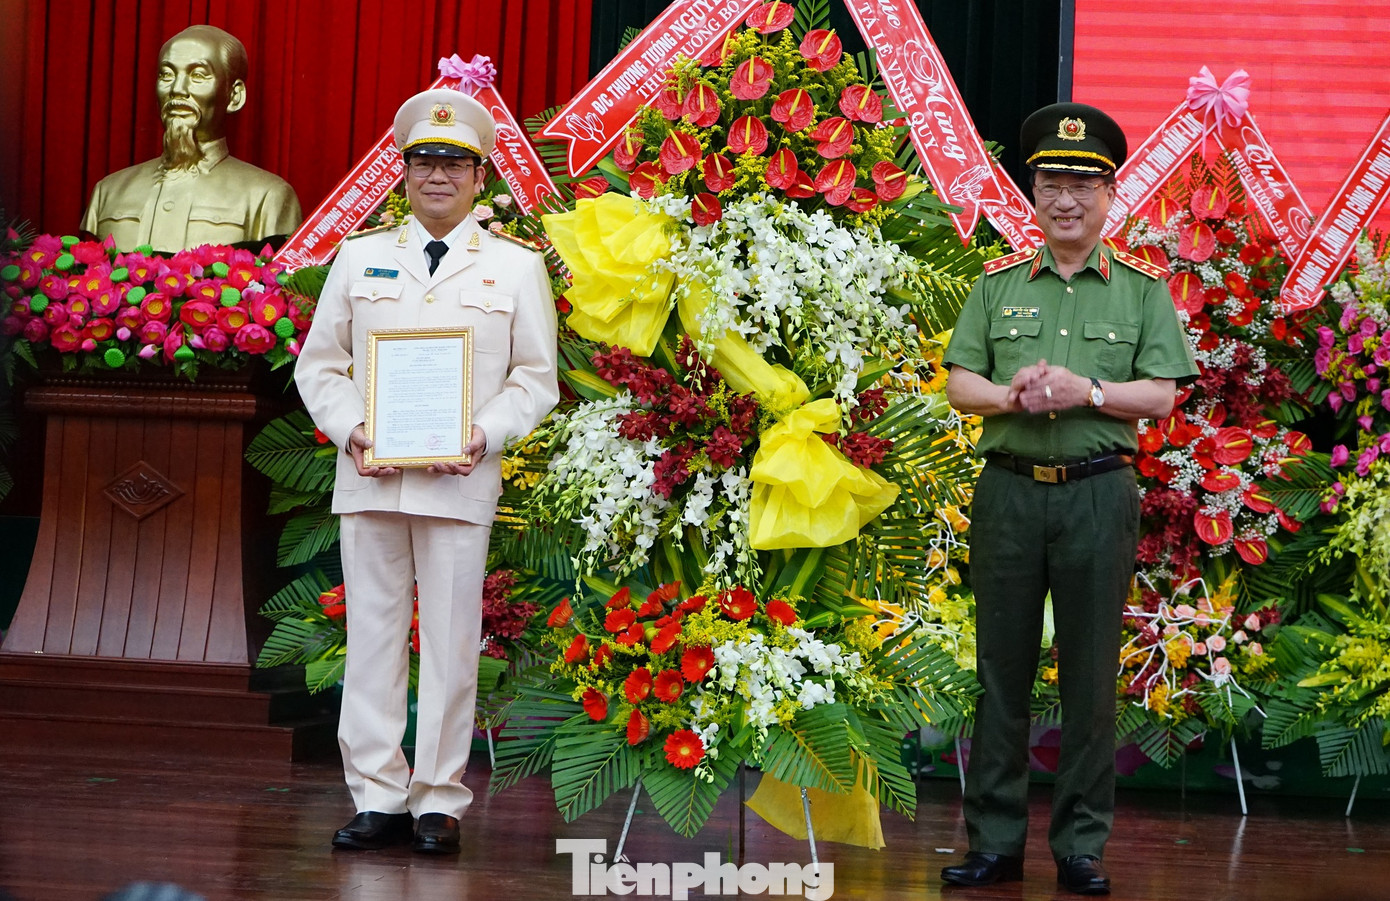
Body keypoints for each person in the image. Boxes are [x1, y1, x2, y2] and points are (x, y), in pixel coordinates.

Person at [938, 102, 1198, 895]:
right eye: (1051, 182)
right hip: (1010, 497)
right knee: (1000, 675)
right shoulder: (997, 287)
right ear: (1034, 190)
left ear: (1111, 194)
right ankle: (995, 841)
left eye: (1083, 184)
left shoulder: (1142, 293)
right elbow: (959, 382)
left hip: (1097, 496)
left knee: (1089, 678)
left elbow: (1159, 397)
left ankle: (1081, 846)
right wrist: (1012, 398)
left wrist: (1083, 389)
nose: (1065, 200)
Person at [295, 88, 558, 854]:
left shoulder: (514, 269)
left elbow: (534, 378)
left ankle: (438, 797)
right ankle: (376, 794)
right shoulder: (359, 257)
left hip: (459, 474)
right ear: (401, 173)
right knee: (373, 635)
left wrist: (483, 435)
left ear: (481, 179)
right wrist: (354, 431)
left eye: (454, 162)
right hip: (371, 473)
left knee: (450, 636)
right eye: (423, 161)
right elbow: (322, 366)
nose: (437, 174)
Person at [80, 25, 301, 251]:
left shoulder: (268, 196)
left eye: (197, 75)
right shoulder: (107, 192)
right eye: (167, 74)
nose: (177, 88)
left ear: (234, 96)